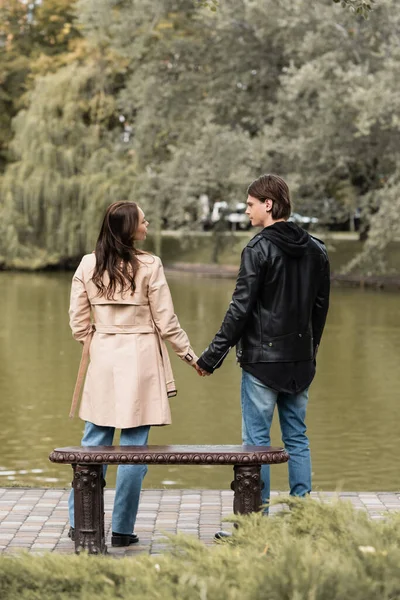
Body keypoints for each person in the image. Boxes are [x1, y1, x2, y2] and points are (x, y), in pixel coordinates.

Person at [68, 201, 198, 546]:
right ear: (129, 229)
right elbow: (167, 322)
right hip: (141, 361)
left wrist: (100, 344)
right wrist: (190, 356)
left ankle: (79, 522)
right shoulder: (150, 265)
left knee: (93, 444)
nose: (148, 224)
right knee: (134, 450)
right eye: (143, 220)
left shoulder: (87, 264)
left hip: (104, 358)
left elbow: (78, 325)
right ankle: (122, 531)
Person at [196, 174, 330, 510]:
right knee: (296, 438)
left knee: (256, 442)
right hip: (300, 361)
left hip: (262, 363)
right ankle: (302, 513)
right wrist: (310, 352)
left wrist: (211, 357)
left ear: (268, 204)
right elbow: (320, 309)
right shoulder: (317, 249)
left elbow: (240, 309)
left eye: (250, 204)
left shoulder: (258, 248)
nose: (246, 211)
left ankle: (256, 516)